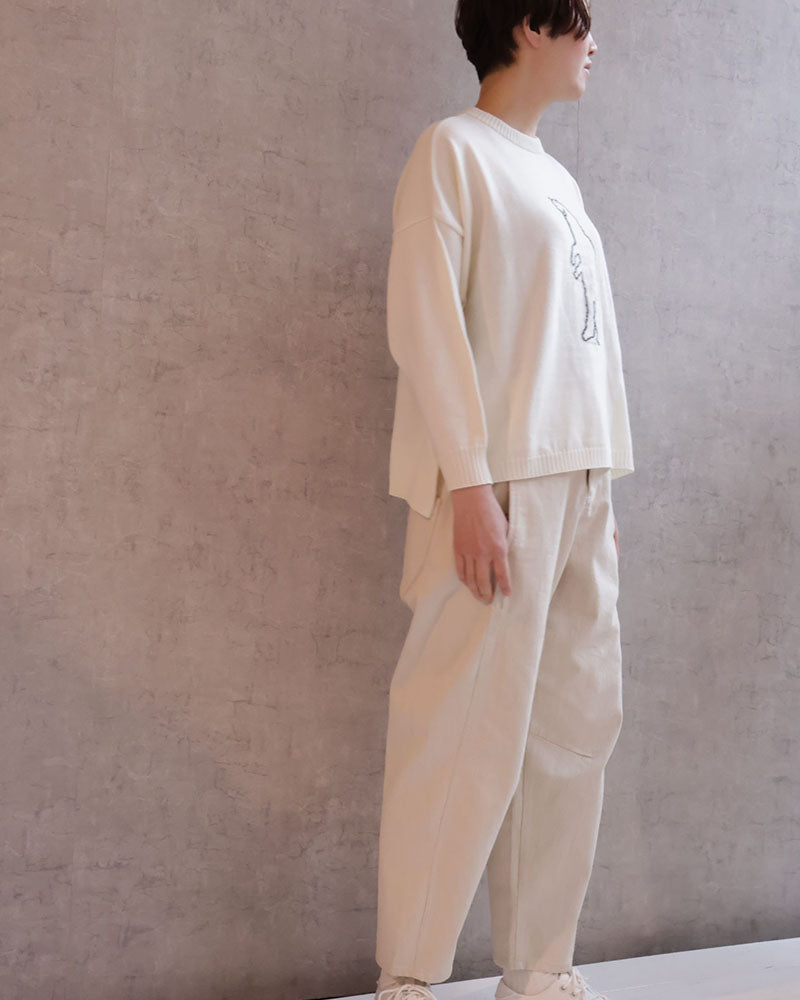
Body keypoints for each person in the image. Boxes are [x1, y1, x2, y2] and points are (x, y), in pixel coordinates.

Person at [374, 3, 634, 999]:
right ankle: (409, 976)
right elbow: (426, 324)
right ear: (528, 26)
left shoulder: (557, 178)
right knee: (458, 730)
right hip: (496, 486)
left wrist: (600, 483)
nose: (595, 45)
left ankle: (538, 968)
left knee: (571, 730)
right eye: (581, 23)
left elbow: (583, 346)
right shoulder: (452, 152)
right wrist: (472, 484)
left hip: (576, 487)